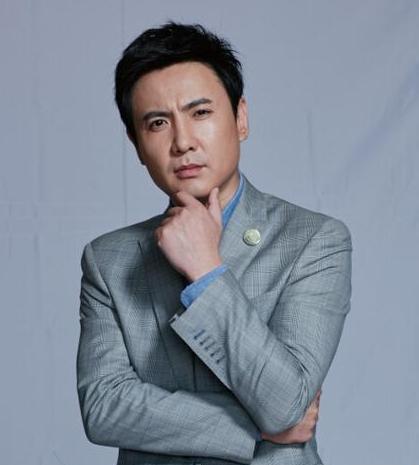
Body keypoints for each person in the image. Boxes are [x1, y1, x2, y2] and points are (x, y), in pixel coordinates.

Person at [76, 22, 352, 465]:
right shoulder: (108, 259)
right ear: (137, 144)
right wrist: (253, 426)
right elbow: (103, 408)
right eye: (158, 123)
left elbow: (286, 403)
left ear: (240, 119)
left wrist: (206, 271)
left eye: (200, 113)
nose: (182, 142)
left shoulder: (313, 241)